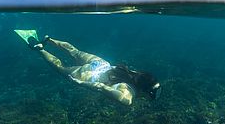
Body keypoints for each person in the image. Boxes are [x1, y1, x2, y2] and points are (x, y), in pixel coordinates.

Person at [27, 35, 161, 106]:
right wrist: (80, 83)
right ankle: (40, 49)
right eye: (154, 94)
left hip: (100, 64)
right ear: (145, 92)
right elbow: (100, 87)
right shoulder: (127, 98)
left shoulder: (135, 74)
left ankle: (49, 40)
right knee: (60, 67)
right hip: (89, 77)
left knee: (75, 52)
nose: (154, 96)